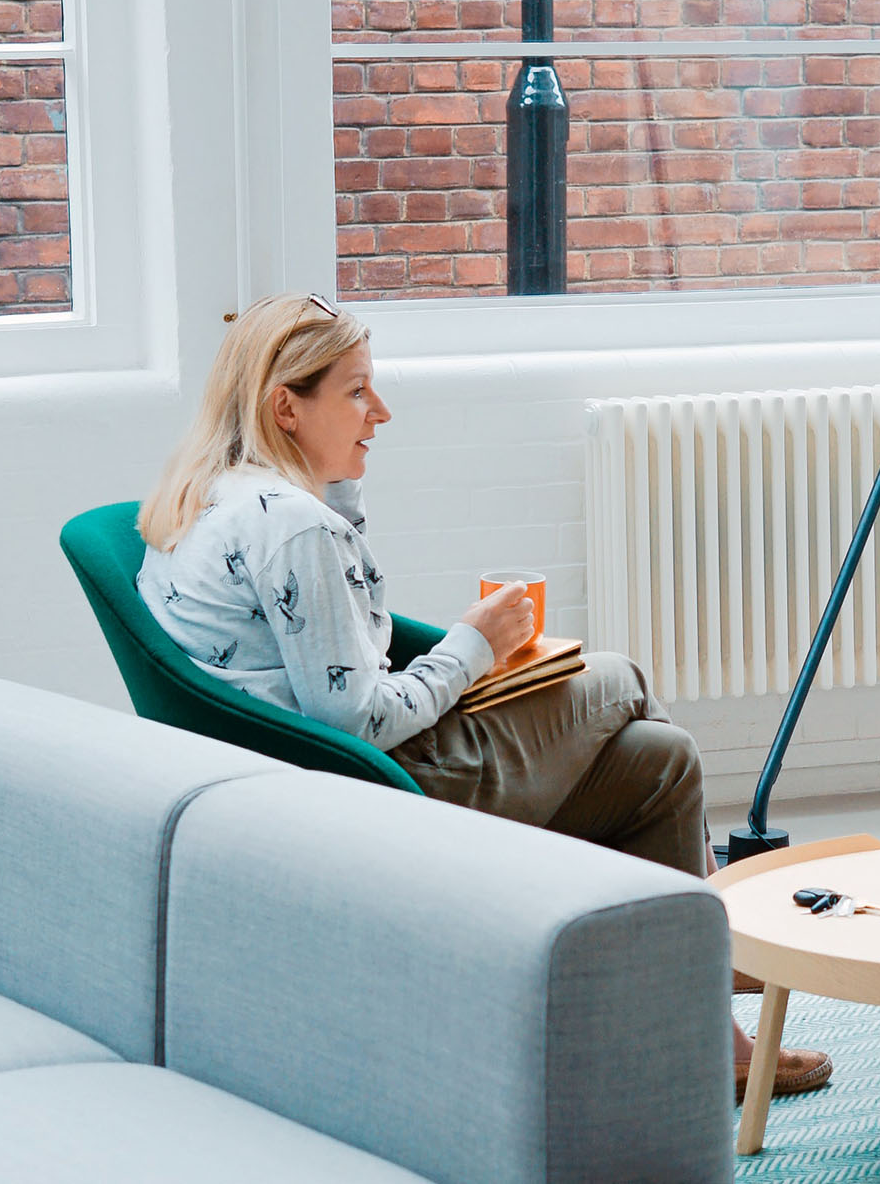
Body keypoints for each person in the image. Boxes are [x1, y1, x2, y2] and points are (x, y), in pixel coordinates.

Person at [135, 291, 830, 1099]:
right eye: (357, 391)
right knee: (619, 677)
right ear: (285, 406)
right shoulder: (296, 528)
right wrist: (475, 644)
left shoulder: (220, 497)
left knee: (661, 759)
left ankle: (702, 1035)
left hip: (307, 784)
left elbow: (343, 656)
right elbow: (355, 717)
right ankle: (724, 951)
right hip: (382, 790)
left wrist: (350, 509)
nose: (380, 411)